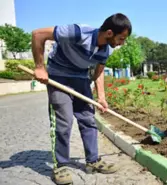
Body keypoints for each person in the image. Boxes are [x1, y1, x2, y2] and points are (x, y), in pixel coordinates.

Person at [31, 13, 132, 185]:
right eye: (121, 38)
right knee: (64, 121)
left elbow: (98, 72)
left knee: (88, 119)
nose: (122, 43)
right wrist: (40, 67)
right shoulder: (78, 32)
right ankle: (61, 165)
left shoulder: (104, 50)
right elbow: (38, 34)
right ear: (109, 33)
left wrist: (101, 97)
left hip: (81, 78)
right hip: (58, 76)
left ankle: (93, 161)